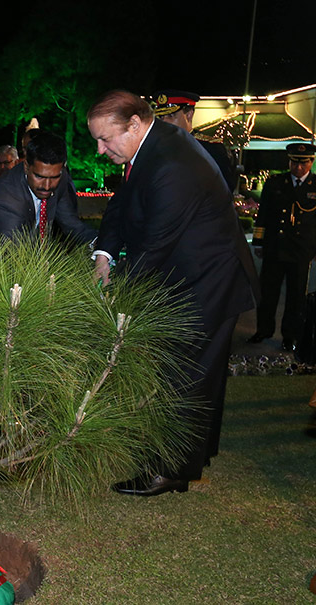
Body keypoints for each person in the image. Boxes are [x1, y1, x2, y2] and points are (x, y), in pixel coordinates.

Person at [88, 89, 258, 496]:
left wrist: (115, 297)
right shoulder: (147, 148)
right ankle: (189, 457)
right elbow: (121, 206)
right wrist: (103, 255)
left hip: (207, 281)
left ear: (134, 124)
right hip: (189, 273)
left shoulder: (171, 164)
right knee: (191, 373)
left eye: (106, 139)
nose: (99, 149)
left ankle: (170, 470)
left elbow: (152, 246)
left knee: (185, 375)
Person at [0, 130, 97, 245]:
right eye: (39, 176)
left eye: (54, 177)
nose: (47, 186)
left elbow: (72, 226)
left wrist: (103, 248)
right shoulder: (6, 197)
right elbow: (14, 254)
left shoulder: (61, 178)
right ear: (26, 167)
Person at [247, 142, 316, 351]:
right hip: (275, 248)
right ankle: (263, 330)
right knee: (268, 293)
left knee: (296, 296)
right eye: (295, 163)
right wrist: (258, 242)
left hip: (301, 250)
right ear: (289, 162)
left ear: (311, 162)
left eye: (303, 163)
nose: (298, 167)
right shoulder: (276, 182)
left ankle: (290, 335)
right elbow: (263, 215)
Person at [149, 89, 238, 191]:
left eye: (171, 116)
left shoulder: (209, 148)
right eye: (161, 117)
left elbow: (225, 189)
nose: (164, 121)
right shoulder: (155, 148)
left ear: (189, 115)